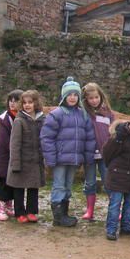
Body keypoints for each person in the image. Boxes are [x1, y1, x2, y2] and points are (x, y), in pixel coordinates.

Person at [41, 77, 95, 227]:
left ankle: (64, 213)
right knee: (59, 185)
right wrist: (50, 158)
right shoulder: (56, 114)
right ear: (64, 96)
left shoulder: (83, 115)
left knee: (68, 185)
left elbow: (89, 138)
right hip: (59, 159)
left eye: (75, 95)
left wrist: (87, 156)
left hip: (75, 158)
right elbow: (47, 138)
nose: (72, 98)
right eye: (69, 95)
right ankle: (58, 216)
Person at [6, 90, 46, 223]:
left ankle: (31, 211)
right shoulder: (19, 120)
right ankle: (19, 212)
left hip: (35, 160)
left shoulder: (41, 119)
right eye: (24, 103)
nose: (27, 105)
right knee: (19, 188)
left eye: (30, 102)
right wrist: (15, 163)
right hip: (22, 160)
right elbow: (14, 144)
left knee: (33, 187)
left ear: (36, 103)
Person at [81, 82, 115, 220]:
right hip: (88, 153)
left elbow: (112, 133)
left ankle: (114, 208)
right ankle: (90, 210)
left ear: (101, 96)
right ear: (86, 99)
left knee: (108, 181)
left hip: (104, 153)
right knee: (90, 182)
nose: (94, 100)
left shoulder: (108, 114)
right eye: (90, 98)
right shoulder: (83, 113)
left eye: (96, 97)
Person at [0, 89, 23, 221]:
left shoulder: (21, 116)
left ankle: (9, 205)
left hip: (15, 156)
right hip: (4, 156)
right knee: (2, 181)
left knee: (12, 182)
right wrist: (15, 150)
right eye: (11, 101)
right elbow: (4, 140)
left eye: (16, 101)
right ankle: (1, 206)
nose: (12, 104)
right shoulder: (5, 119)